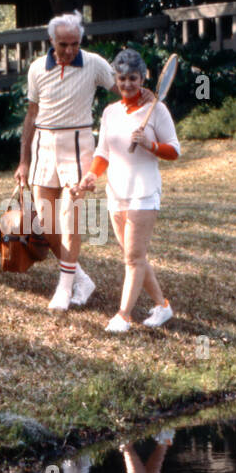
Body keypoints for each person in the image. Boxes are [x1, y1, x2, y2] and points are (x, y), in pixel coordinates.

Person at [16, 11, 152, 312]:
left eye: (75, 44)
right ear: (51, 41)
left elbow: (125, 92)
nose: (69, 50)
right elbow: (31, 115)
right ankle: (80, 278)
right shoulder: (37, 68)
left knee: (70, 217)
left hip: (78, 145)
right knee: (46, 220)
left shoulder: (94, 64)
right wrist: (23, 161)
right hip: (43, 146)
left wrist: (144, 102)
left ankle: (64, 289)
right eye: (63, 44)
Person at [73, 49, 179, 333]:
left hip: (144, 193)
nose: (128, 84)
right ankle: (162, 306)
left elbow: (175, 150)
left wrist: (150, 145)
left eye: (133, 78)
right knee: (136, 257)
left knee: (132, 258)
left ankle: (123, 316)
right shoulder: (110, 112)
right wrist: (91, 176)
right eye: (122, 79)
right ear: (116, 80)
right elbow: (103, 152)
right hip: (116, 193)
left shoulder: (157, 109)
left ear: (143, 77)